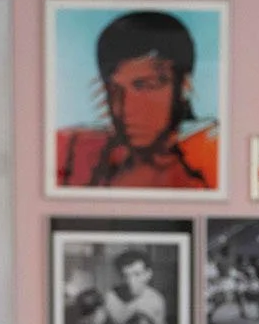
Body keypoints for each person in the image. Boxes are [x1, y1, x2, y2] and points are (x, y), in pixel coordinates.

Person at [54, 11, 219, 190]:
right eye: (114, 90)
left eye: (146, 85)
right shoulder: (77, 150)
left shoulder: (211, 152)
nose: (124, 108)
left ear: (184, 86)